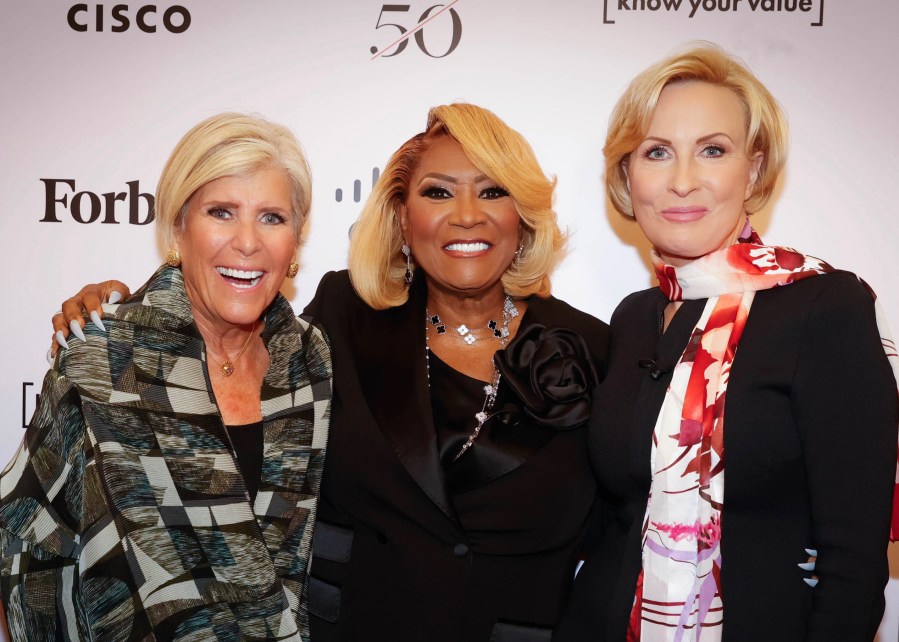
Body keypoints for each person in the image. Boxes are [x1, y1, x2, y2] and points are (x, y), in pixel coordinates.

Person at [48, 104, 611, 641]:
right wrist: (125, 313)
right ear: (401, 214)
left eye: (493, 191)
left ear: (524, 215)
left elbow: (625, 515)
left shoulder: (591, 344)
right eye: (437, 191)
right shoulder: (345, 315)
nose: (466, 214)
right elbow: (227, 334)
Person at [554, 45, 899, 642]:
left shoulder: (824, 306)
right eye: (657, 152)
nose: (683, 180)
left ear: (754, 170)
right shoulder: (635, 317)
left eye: (713, 150)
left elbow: (855, 559)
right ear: (627, 177)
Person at [1, 113, 332, 641]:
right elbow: (26, 537)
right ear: (179, 226)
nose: (248, 241)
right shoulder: (106, 354)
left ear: (296, 240)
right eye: (221, 212)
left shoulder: (310, 360)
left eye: (272, 217)